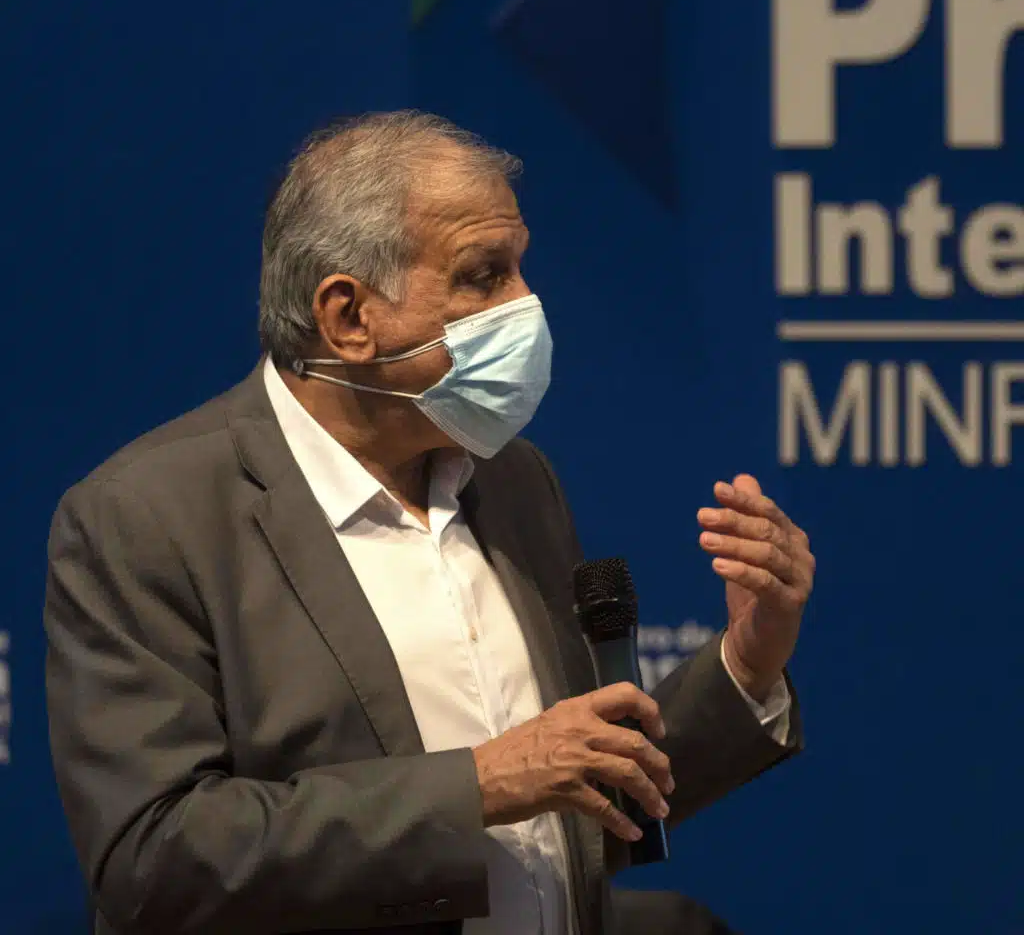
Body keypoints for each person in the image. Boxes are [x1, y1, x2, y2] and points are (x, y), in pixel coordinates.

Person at [45, 111, 816, 935]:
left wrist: (746, 662)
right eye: (484, 276)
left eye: (519, 267)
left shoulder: (515, 481)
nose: (527, 304)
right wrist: (479, 785)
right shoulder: (147, 518)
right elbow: (153, 861)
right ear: (348, 318)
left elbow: (582, 803)